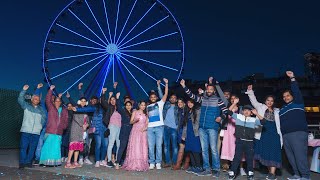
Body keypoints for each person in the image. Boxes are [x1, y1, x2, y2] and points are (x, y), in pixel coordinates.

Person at [180, 79, 228, 177]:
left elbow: (225, 111)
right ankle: (207, 169)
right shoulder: (203, 99)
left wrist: (220, 117)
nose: (209, 90)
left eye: (211, 89)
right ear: (206, 90)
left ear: (214, 91)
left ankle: (216, 169)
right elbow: (191, 96)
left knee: (213, 149)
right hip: (202, 128)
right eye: (208, 89)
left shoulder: (218, 100)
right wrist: (184, 86)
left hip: (212, 128)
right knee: (204, 149)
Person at [246, 84, 282, 180]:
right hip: (263, 132)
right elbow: (253, 100)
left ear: (273, 102)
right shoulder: (260, 107)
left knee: (274, 152)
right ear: (265, 101)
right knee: (266, 153)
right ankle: (271, 173)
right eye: (268, 100)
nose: (269, 102)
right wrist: (250, 91)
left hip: (274, 133)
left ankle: (272, 173)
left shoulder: (277, 111)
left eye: (271, 101)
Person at [280, 71, 310, 180]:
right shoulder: (282, 109)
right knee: (291, 157)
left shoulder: (298, 102)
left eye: (288, 95)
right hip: (286, 135)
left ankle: (305, 176)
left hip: (298, 133)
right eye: (284, 96)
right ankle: (297, 174)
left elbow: (296, 91)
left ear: (292, 96)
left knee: (300, 156)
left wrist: (292, 78)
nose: (286, 97)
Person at [227, 98, 262, 180]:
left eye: (249, 110)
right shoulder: (238, 117)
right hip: (239, 141)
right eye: (245, 110)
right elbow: (228, 111)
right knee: (237, 157)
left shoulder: (254, 120)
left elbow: (264, 122)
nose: (246, 112)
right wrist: (234, 103)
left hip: (249, 142)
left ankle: (250, 173)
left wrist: (257, 113)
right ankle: (232, 172)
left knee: (249, 158)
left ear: (251, 113)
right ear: (242, 111)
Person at [18, 84, 46, 169]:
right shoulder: (26, 106)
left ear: (39, 101)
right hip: (26, 131)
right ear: (31, 99)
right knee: (23, 147)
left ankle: (28, 162)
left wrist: (40, 127)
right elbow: (20, 99)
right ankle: (22, 163)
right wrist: (23, 90)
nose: (36, 100)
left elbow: (44, 119)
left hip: (36, 132)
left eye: (37, 99)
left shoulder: (41, 110)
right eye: (34, 98)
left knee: (32, 148)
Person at [40, 85, 68, 166]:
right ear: (54, 101)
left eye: (59, 101)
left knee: (56, 149)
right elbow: (47, 100)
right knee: (47, 147)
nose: (58, 102)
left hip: (59, 132)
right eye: (56, 101)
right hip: (50, 131)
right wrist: (50, 90)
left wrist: (64, 127)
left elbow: (66, 120)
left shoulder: (64, 110)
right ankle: (45, 162)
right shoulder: (50, 107)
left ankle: (55, 162)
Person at [220, 95, 247, 175]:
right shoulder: (228, 107)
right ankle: (228, 166)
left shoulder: (241, 108)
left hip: (238, 130)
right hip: (229, 130)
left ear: (238, 99)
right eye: (231, 99)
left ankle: (241, 168)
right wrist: (233, 104)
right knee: (228, 148)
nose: (233, 100)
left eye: (234, 98)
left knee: (239, 149)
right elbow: (227, 112)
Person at [147, 78, 169, 170]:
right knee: (151, 146)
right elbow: (147, 118)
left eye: (154, 97)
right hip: (150, 128)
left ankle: (158, 162)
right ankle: (151, 162)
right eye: (151, 97)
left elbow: (166, 94)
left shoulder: (160, 103)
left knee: (159, 145)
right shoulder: (147, 106)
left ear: (156, 98)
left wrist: (166, 84)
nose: (153, 98)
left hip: (159, 127)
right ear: (149, 98)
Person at [157, 80, 179, 168]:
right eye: (171, 98)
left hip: (174, 128)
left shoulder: (179, 107)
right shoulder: (166, 104)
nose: (173, 99)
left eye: (174, 98)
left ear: (176, 99)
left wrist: (178, 127)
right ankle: (168, 162)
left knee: (174, 146)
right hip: (165, 127)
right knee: (166, 146)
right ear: (169, 99)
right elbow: (161, 95)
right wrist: (159, 86)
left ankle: (174, 162)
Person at [122, 101, 149, 171]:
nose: (143, 106)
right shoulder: (135, 112)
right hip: (135, 130)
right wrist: (135, 121)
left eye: (144, 105)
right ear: (139, 105)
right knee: (135, 146)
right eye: (142, 105)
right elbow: (131, 122)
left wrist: (145, 128)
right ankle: (134, 163)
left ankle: (141, 163)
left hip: (143, 131)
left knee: (142, 147)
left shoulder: (146, 114)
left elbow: (147, 123)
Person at [65, 97, 90, 168]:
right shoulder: (76, 108)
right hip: (75, 129)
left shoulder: (86, 110)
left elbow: (87, 120)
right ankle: (68, 162)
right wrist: (83, 125)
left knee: (78, 146)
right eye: (82, 101)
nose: (83, 102)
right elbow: (76, 118)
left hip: (82, 130)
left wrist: (87, 124)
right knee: (73, 146)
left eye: (84, 101)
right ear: (79, 102)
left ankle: (75, 162)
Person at [101, 85, 121, 168]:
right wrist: (103, 93)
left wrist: (115, 89)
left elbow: (119, 103)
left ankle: (117, 160)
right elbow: (103, 102)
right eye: (111, 100)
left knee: (119, 144)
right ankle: (109, 161)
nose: (113, 101)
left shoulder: (119, 108)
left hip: (119, 127)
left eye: (114, 100)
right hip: (112, 126)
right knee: (111, 144)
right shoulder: (109, 107)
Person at [182, 99, 202, 174]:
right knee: (190, 150)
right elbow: (185, 125)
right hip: (188, 133)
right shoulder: (187, 112)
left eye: (191, 102)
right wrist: (183, 135)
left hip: (195, 133)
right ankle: (193, 167)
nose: (189, 104)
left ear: (194, 103)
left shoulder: (197, 110)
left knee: (196, 150)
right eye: (188, 102)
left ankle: (199, 167)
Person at [114, 92, 134, 169]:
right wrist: (117, 98)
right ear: (125, 106)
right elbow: (118, 106)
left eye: (129, 105)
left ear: (132, 106)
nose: (128, 106)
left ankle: (126, 162)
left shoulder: (133, 113)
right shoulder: (123, 112)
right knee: (122, 147)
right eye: (127, 105)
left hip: (131, 131)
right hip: (124, 130)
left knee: (128, 148)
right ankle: (117, 162)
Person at [172, 98, 189, 170]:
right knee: (181, 146)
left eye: (181, 102)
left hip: (187, 130)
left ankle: (186, 163)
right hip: (180, 130)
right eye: (178, 102)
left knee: (188, 147)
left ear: (184, 103)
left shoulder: (187, 110)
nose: (179, 103)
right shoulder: (178, 110)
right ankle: (178, 164)